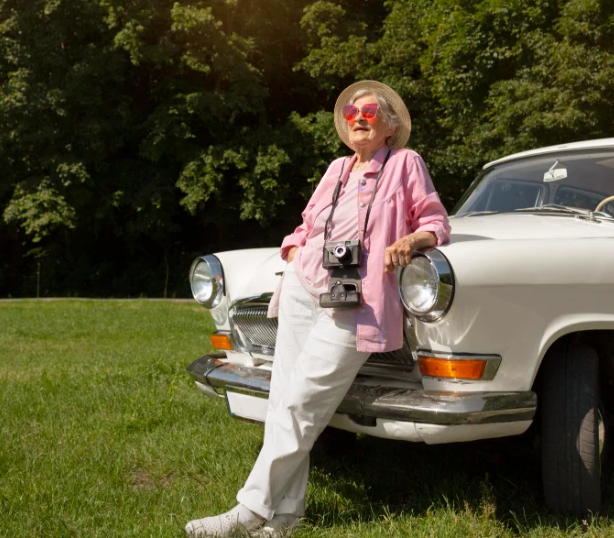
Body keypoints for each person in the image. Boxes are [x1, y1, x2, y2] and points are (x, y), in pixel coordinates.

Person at [184, 81, 451, 537]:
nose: (359, 117)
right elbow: (308, 223)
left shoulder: (406, 163)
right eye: (351, 112)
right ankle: (285, 516)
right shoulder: (335, 169)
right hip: (305, 290)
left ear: (389, 124)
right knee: (285, 400)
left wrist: (410, 239)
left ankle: (248, 511)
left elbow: (435, 221)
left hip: (359, 301)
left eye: (369, 111)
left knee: (303, 402)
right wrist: (292, 252)